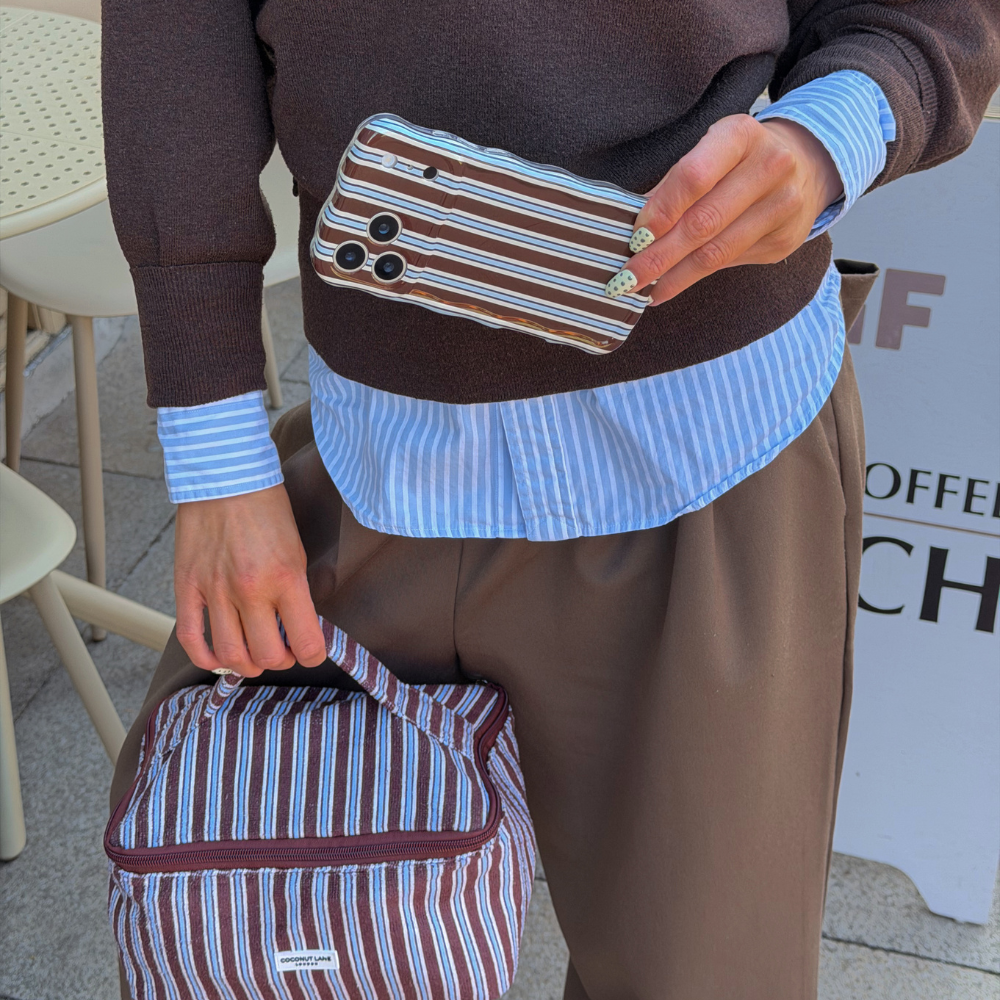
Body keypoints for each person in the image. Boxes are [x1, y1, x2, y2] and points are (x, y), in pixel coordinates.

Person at [102, 3, 999, 997]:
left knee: (703, 975)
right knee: (286, 948)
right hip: (377, 455)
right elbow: (171, 44)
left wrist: (830, 128)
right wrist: (216, 455)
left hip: (712, 450)